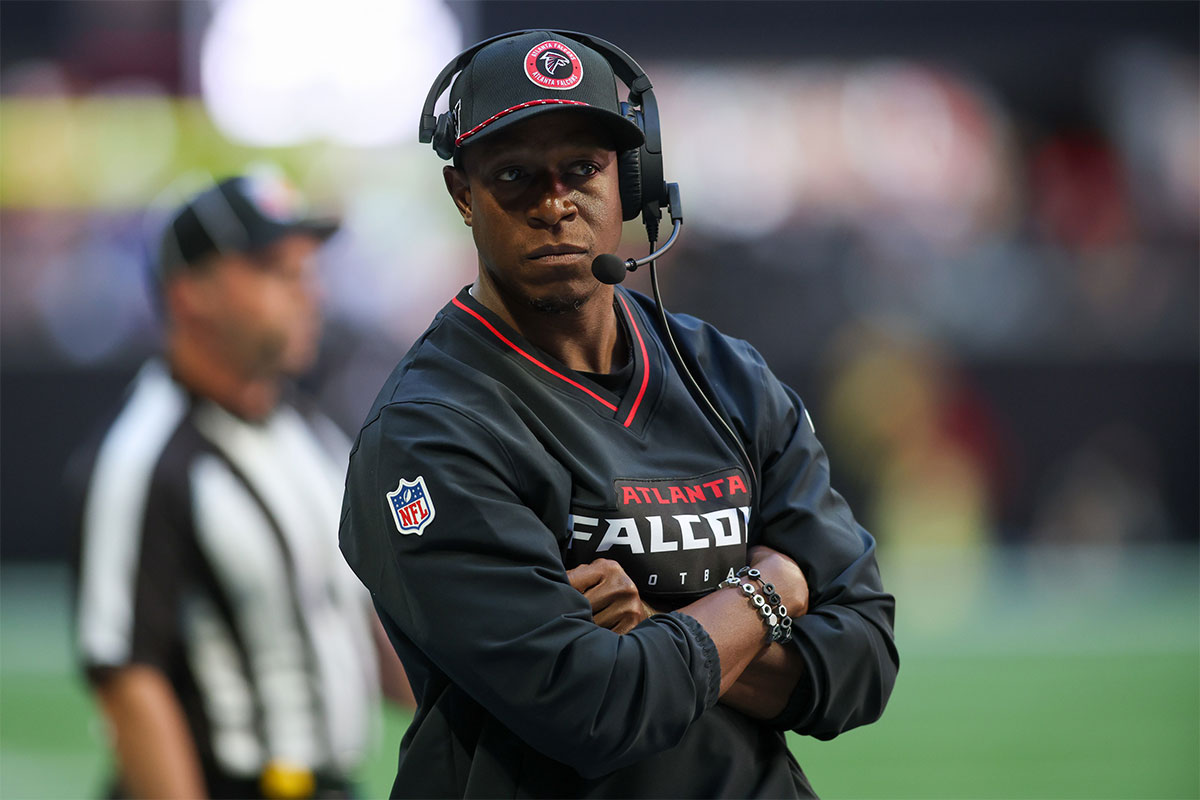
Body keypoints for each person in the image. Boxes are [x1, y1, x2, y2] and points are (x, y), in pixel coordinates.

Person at [339, 30, 898, 798]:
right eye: (514, 176)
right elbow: (597, 709)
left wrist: (658, 624)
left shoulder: (729, 376)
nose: (554, 203)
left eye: (582, 169)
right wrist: (767, 592)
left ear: (633, 182)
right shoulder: (426, 431)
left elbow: (864, 660)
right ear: (463, 195)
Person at [71, 171, 412, 800]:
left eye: (307, 271)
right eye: (276, 271)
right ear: (190, 293)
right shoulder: (142, 456)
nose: (308, 292)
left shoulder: (307, 431)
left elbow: (363, 616)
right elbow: (127, 678)